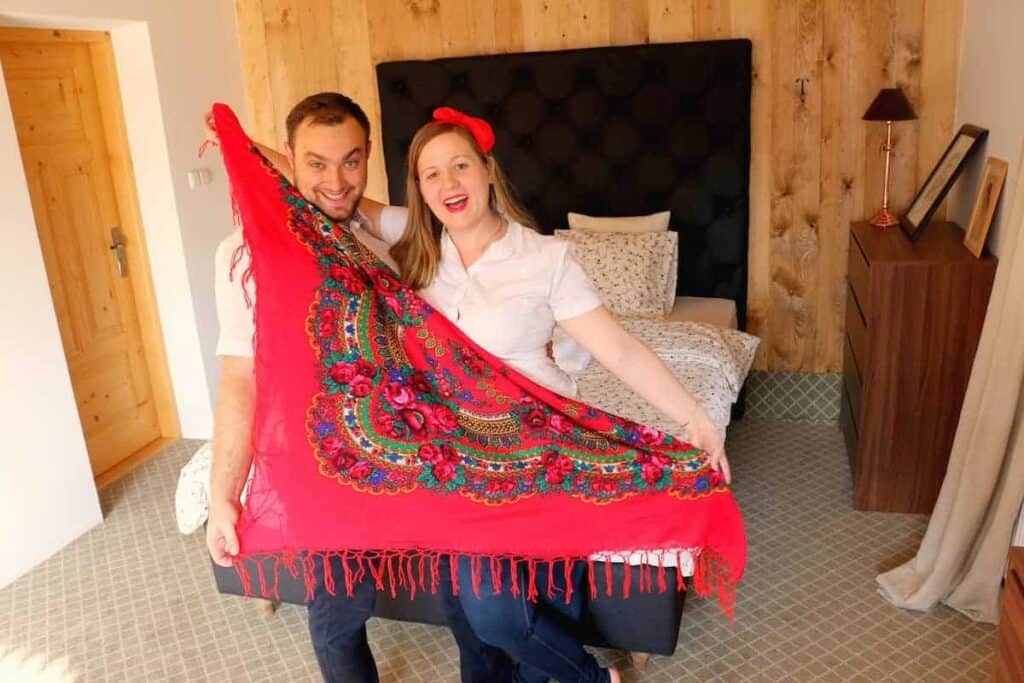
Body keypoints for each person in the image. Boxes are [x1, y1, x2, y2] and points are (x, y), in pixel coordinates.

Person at [212, 102, 731, 683]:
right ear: (420, 191)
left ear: (489, 170)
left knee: (498, 614)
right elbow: (327, 189)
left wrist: (694, 418)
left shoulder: (544, 258)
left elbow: (621, 350)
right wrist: (244, 145)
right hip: (458, 459)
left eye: (460, 166)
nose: (447, 184)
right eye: (431, 175)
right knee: (476, 616)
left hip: (534, 447)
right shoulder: (416, 245)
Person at [206, 93, 516, 683]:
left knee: (466, 596)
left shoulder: (397, 241)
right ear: (288, 162)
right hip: (317, 461)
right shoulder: (244, 255)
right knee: (340, 610)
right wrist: (223, 494)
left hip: (412, 445)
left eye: (350, 161)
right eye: (315, 164)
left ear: (370, 156)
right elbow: (240, 376)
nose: (335, 180)